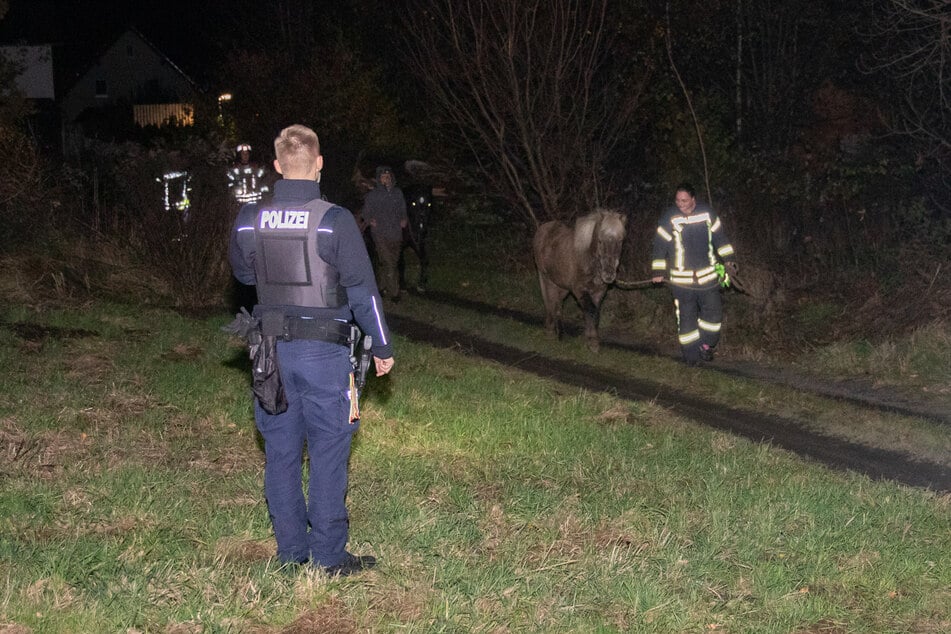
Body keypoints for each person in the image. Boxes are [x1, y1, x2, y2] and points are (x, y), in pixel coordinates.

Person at [228, 124, 395, 576]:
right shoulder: (335, 220)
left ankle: (290, 554)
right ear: (319, 164)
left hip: (270, 356)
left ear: (277, 166)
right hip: (324, 355)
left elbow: (244, 277)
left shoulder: (248, 218)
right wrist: (381, 345)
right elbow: (363, 290)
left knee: (281, 452)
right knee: (327, 450)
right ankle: (328, 555)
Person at [651, 182, 738, 366]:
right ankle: (691, 358)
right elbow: (660, 245)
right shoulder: (670, 217)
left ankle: (705, 345)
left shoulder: (707, 214)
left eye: (684, 200)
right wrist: (658, 270)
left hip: (708, 277)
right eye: (677, 200)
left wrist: (729, 260)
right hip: (682, 282)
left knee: (714, 315)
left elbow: (720, 238)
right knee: (687, 320)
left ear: (693, 199)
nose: (680, 204)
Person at [360, 165, 408, 301]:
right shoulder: (373, 195)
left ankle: (381, 286)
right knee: (389, 263)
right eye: (383, 177)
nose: (386, 179)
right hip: (380, 234)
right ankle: (395, 293)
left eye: (388, 176)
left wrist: (404, 218)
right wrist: (370, 220)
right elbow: (365, 212)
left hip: (396, 234)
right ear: (379, 179)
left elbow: (403, 209)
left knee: (388, 262)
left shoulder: (397, 193)